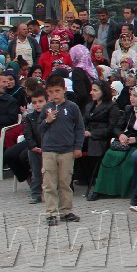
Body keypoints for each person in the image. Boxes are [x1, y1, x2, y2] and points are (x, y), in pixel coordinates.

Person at [39, 74, 84, 226]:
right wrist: (47, 120)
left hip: (67, 151)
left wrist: (78, 147)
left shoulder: (72, 107)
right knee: (49, 182)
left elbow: (79, 128)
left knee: (65, 182)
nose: (54, 95)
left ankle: (66, 210)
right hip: (49, 150)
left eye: (57, 91)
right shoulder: (46, 108)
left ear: (64, 90)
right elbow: (39, 128)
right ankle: (51, 212)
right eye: (50, 92)